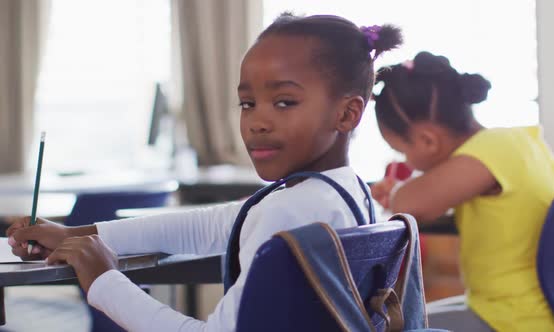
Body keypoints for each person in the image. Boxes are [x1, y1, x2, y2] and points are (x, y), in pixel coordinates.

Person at [7, 14, 402, 331]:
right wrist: (74, 236)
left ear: (347, 113)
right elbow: (209, 225)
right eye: (247, 103)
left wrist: (104, 281)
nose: (257, 122)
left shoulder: (291, 210)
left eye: (284, 102)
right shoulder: (343, 192)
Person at [371, 51, 554, 331]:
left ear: (428, 140)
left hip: (512, 318)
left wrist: (392, 192)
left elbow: (413, 203)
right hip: (530, 310)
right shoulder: (519, 142)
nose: (406, 161)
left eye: (402, 151)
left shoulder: (491, 149)